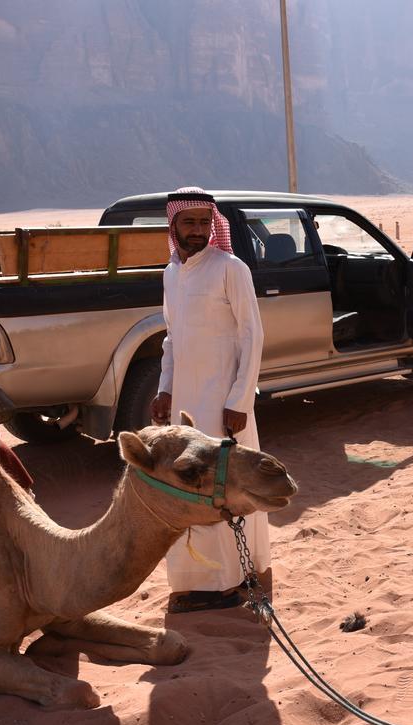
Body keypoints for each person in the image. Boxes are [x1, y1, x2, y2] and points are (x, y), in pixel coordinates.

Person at [150, 188, 269, 613]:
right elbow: (171, 340)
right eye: (190, 223)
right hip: (184, 403)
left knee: (225, 485)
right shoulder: (170, 274)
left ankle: (228, 582)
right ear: (174, 226)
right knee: (190, 485)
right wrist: (165, 389)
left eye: (205, 222)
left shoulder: (230, 269)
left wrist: (239, 398)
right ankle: (198, 580)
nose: (198, 231)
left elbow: (252, 334)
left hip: (223, 403)